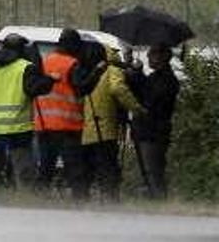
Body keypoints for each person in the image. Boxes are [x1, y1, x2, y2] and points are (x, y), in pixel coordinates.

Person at [0, 34, 53, 188]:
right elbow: (36, 88)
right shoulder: (25, 67)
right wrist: (49, 80)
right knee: (23, 167)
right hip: (17, 126)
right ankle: (25, 200)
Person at [78, 45, 145, 201]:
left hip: (88, 129)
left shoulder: (90, 72)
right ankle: (110, 200)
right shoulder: (112, 70)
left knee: (89, 169)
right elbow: (117, 89)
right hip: (105, 128)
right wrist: (136, 108)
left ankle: (83, 201)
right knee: (108, 167)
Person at [34, 28, 88, 192]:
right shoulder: (72, 64)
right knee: (75, 171)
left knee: (45, 169)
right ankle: (80, 203)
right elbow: (81, 89)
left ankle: (38, 201)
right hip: (67, 126)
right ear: (72, 46)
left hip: (44, 125)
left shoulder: (44, 62)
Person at [129, 44, 180, 198]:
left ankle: (158, 198)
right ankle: (153, 199)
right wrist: (136, 70)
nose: (149, 57)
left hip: (154, 132)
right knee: (148, 171)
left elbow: (150, 98)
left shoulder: (168, 80)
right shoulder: (155, 77)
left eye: (152, 54)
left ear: (162, 57)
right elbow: (142, 89)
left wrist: (138, 76)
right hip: (145, 130)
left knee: (153, 171)